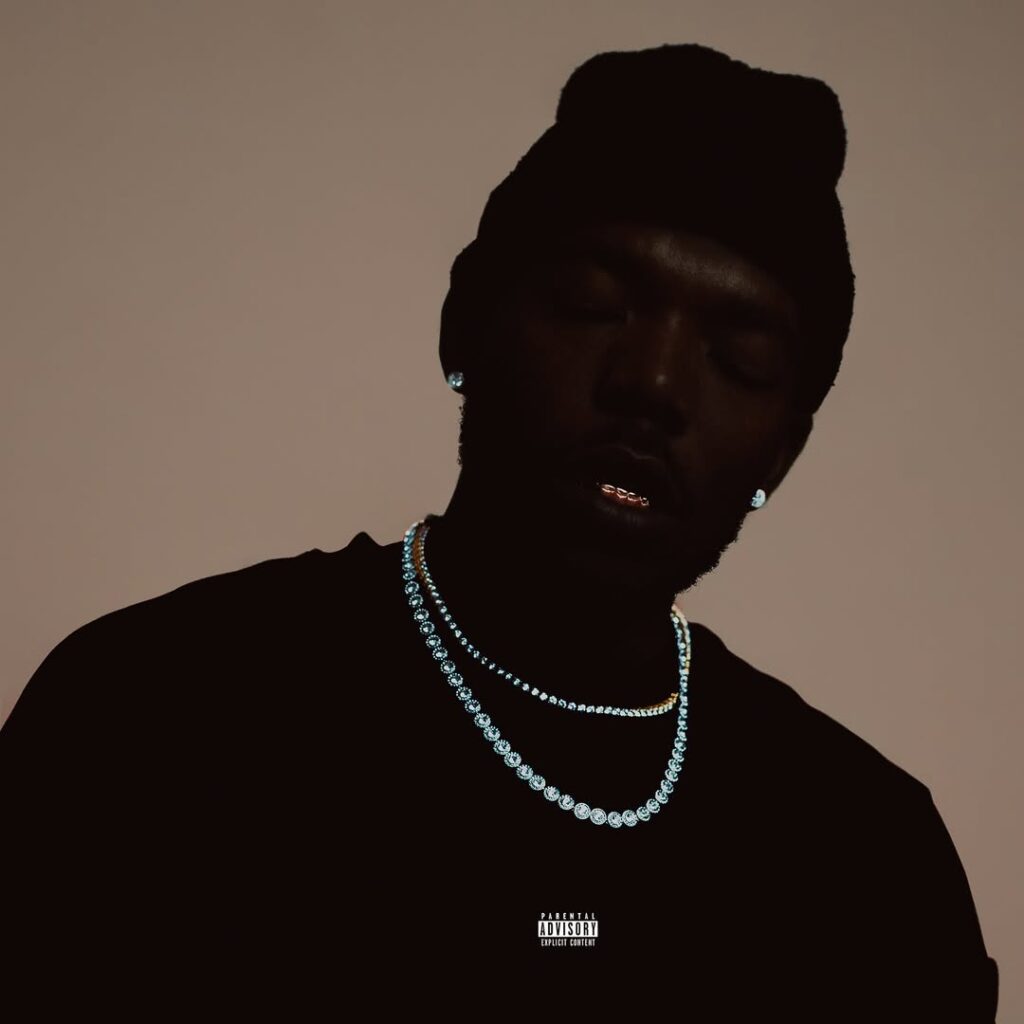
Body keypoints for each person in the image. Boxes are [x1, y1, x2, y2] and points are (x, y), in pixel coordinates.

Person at [2, 43, 998, 1018]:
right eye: (594, 305)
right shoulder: (151, 717)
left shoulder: (871, 861)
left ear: (781, 453)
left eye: (736, 358)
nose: (651, 384)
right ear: (466, 322)